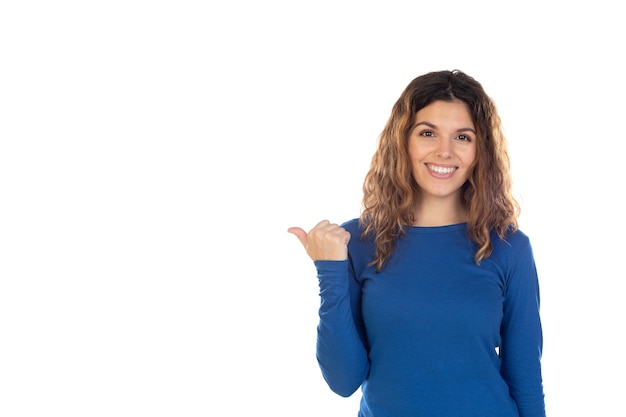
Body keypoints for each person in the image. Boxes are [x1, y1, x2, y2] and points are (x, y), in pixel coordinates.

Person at [288, 70, 546, 417]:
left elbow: (526, 376)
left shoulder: (507, 246)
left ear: (479, 150)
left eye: (463, 137)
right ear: (403, 141)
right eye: (428, 133)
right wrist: (330, 271)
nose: (444, 151)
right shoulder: (357, 242)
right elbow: (343, 380)